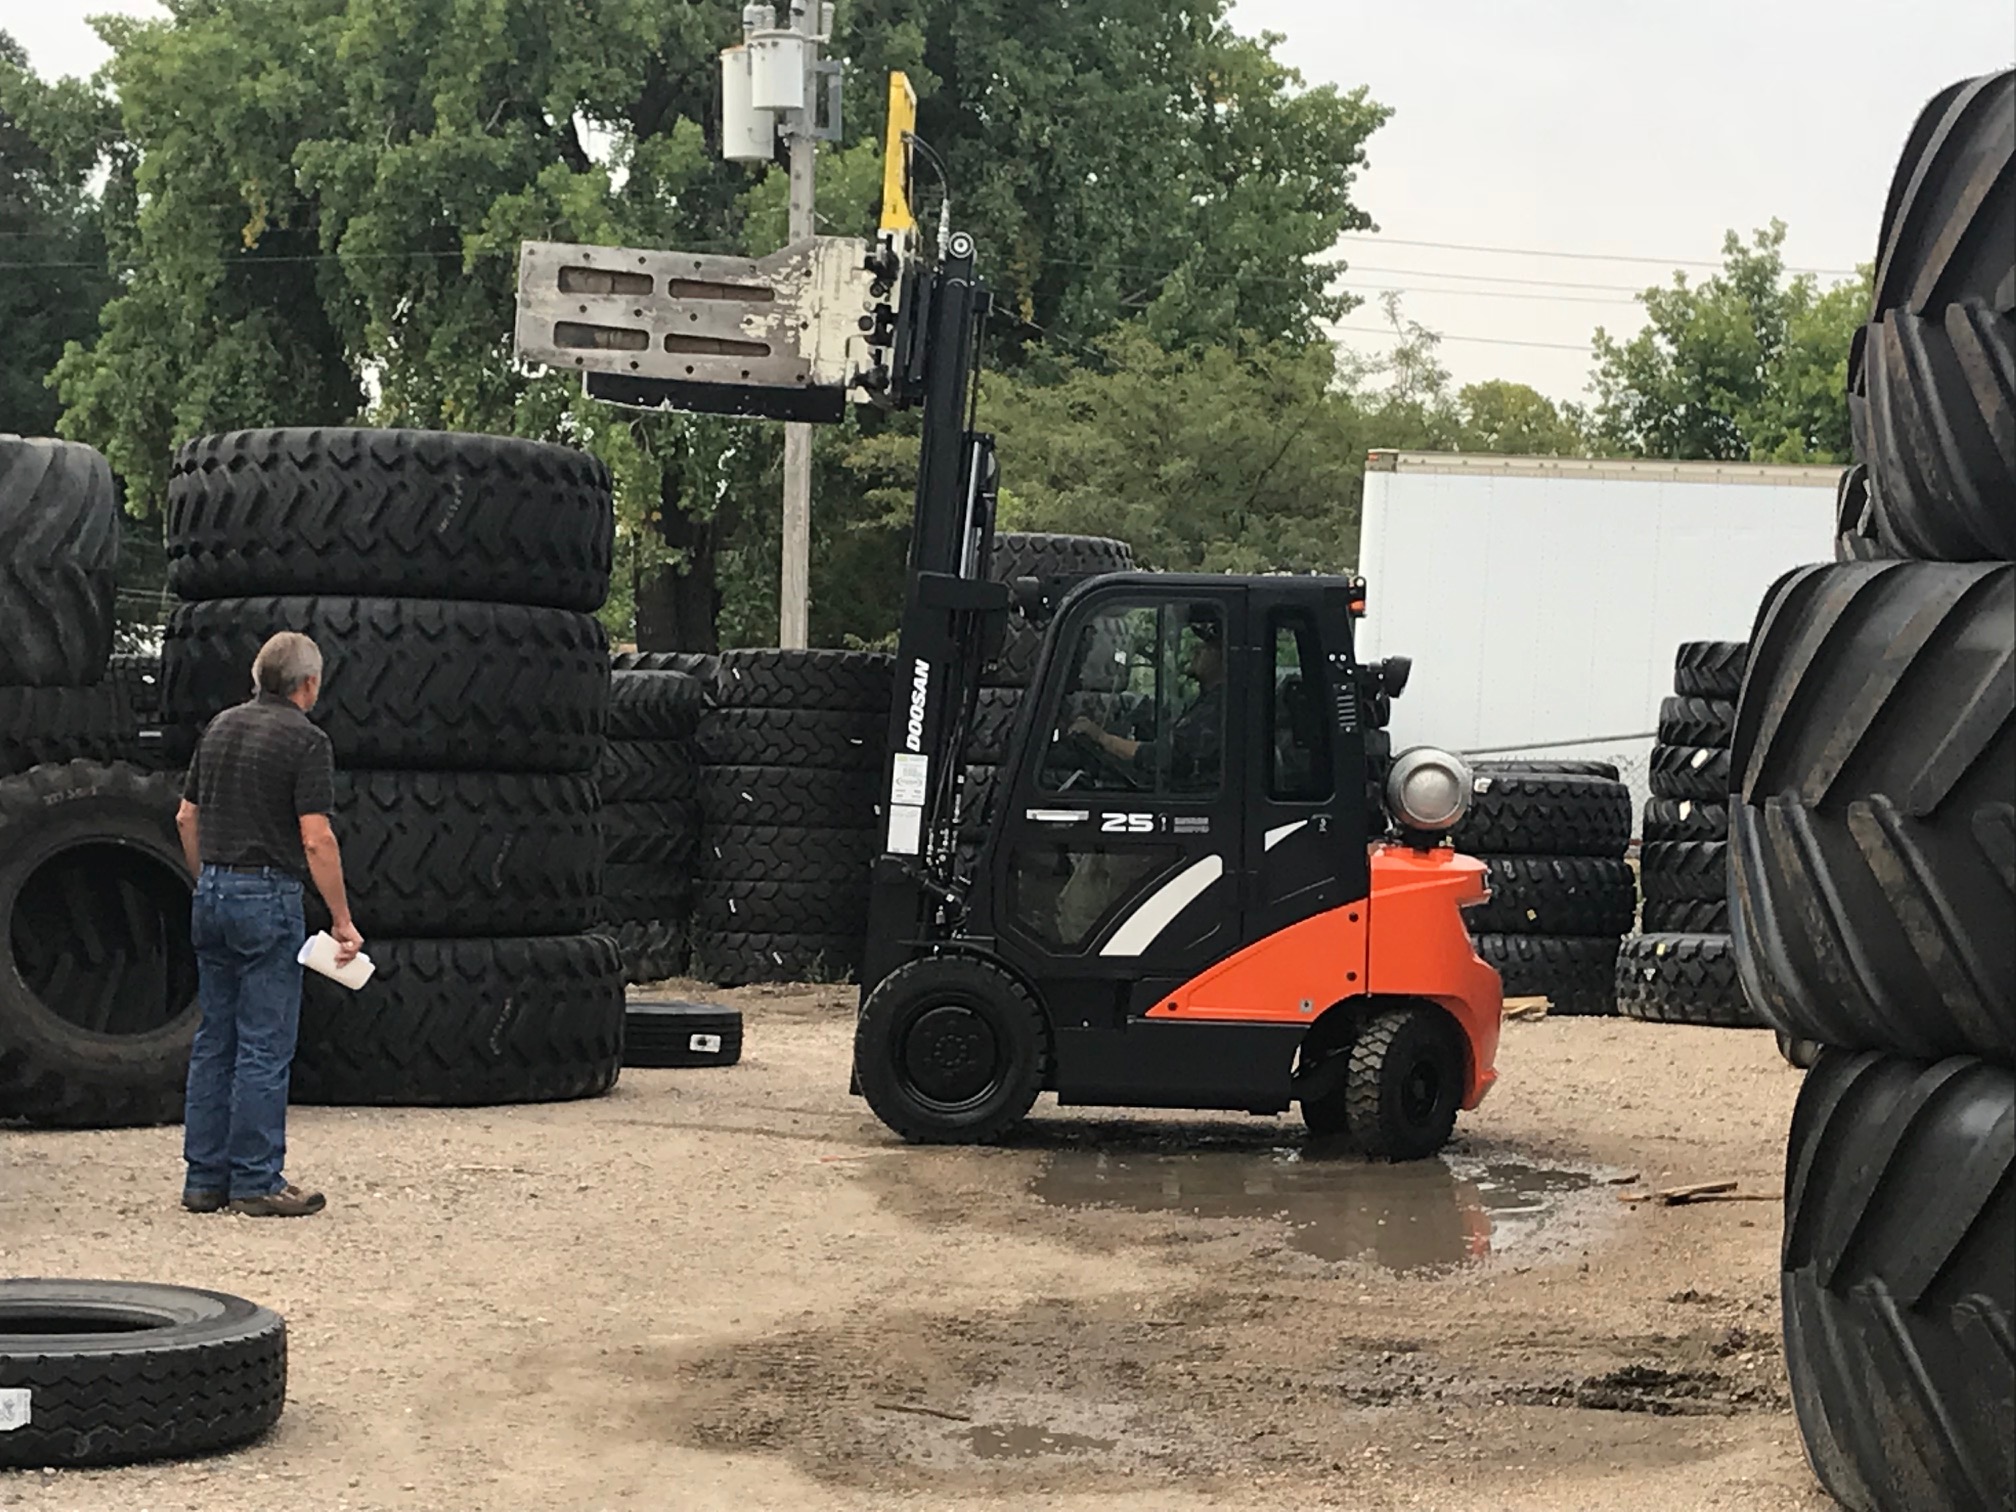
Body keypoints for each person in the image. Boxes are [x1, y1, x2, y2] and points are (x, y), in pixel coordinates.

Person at [174, 631, 361, 1218]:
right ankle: (257, 1180)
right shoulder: (307, 741)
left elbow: (185, 816)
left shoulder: (221, 727)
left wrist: (209, 878)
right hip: (268, 896)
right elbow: (316, 837)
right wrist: (341, 919)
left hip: (213, 890)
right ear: (308, 684)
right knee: (264, 1043)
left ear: (258, 678)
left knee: (215, 1040)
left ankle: (204, 1179)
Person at [1068, 616, 1226, 792]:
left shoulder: (1220, 709)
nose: (1197, 649)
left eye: (1208, 646)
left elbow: (1165, 758)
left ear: (1225, 658)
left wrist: (1103, 739)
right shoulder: (1206, 701)